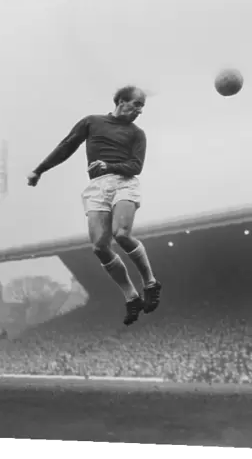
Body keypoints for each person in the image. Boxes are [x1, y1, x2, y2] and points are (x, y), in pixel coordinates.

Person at [27, 86, 162, 326]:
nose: (140, 110)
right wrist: (39, 170)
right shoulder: (92, 122)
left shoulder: (137, 134)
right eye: (137, 104)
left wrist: (108, 166)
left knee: (122, 235)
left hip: (124, 183)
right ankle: (131, 297)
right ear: (121, 101)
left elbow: (136, 166)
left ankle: (150, 282)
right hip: (97, 187)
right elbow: (66, 146)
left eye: (143, 106)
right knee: (100, 247)